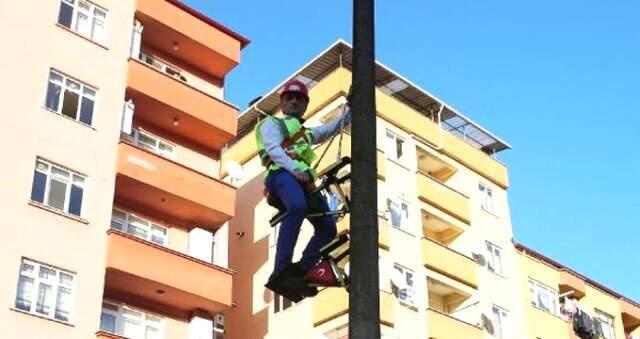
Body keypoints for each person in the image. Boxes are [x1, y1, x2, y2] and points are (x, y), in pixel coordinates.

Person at [255, 79, 351, 293]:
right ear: (282, 102)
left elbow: (331, 128)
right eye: (290, 97)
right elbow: (273, 149)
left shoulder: (305, 133)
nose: (294, 101)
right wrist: (293, 169)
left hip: (303, 182)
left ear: (306, 104)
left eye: (299, 98)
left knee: (327, 228)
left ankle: (302, 270)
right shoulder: (271, 123)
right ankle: (281, 269)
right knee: (297, 207)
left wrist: (351, 108)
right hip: (281, 175)